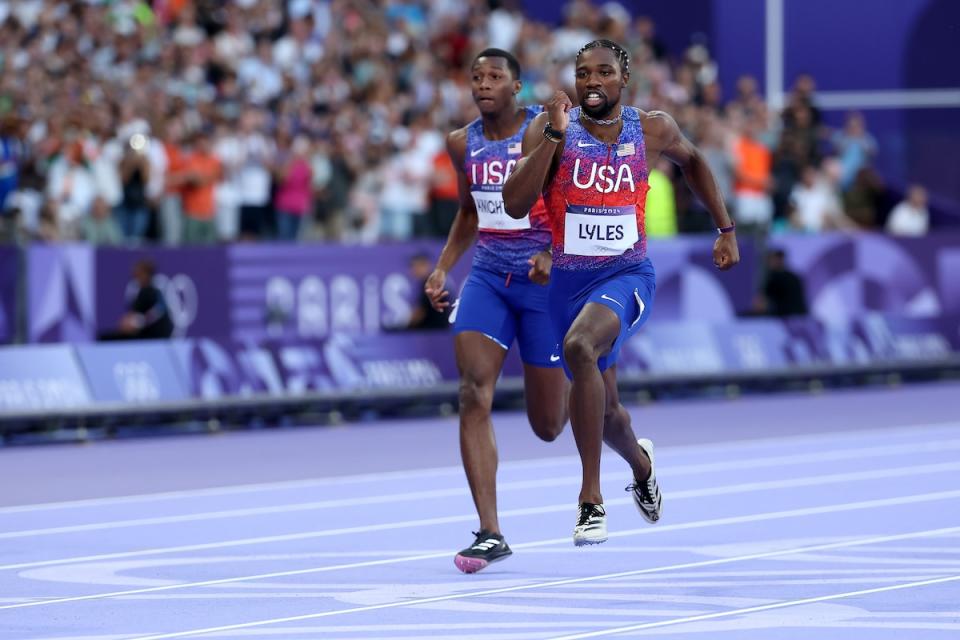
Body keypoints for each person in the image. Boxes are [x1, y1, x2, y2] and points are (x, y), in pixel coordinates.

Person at [503, 39, 740, 545]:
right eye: (583, 73)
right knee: (607, 413)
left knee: (579, 346)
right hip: (568, 285)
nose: (592, 82)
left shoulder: (650, 127)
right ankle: (641, 464)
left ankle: (590, 499)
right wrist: (550, 135)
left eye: (603, 72)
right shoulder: (549, 132)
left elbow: (693, 161)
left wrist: (725, 228)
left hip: (627, 276)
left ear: (623, 77)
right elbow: (516, 204)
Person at [424, 48, 569, 572]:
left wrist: (554, 253)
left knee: (549, 426)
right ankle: (490, 531)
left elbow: (569, 202)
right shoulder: (461, 142)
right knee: (471, 392)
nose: (483, 84)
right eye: (476, 77)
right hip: (487, 274)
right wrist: (443, 267)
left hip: (539, 281)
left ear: (517, 88)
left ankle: (588, 364)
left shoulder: (540, 132)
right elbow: (469, 211)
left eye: (494, 77)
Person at [99, 259, 174, 341]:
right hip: (152, 332)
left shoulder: (149, 293)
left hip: (154, 335)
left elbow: (154, 314)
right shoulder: (149, 292)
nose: (135, 276)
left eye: (138, 274)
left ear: (146, 274)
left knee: (105, 337)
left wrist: (136, 322)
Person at [759, 248, 808, 317]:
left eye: (771, 259)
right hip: (800, 316)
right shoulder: (794, 276)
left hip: (785, 319)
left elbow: (762, 303)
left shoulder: (774, 277)